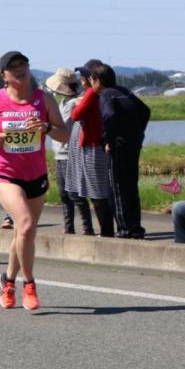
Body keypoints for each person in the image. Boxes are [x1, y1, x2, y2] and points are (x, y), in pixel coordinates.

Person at [0, 51, 69, 311]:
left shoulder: (44, 99)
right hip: (6, 174)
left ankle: (8, 281)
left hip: (35, 175)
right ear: (4, 75)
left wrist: (46, 128)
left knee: (23, 234)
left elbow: (64, 135)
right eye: (13, 67)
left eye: (23, 65)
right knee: (24, 226)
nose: (20, 69)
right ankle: (30, 285)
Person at [89, 61, 150, 239]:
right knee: (131, 187)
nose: (91, 84)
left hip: (119, 146)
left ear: (98, 81)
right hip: (133, 144)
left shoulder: (106, 94)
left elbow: (109, 115)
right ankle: (136, 228)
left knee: (116, 188)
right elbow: (145, 111)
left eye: (92, 80)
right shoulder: (123, 91)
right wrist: (138, 133)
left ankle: (125, 230)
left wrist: (109, 139)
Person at [67, 61, 116, 236]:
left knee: (97, 190)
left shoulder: (90, 94)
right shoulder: (105, 93)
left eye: (84, 75)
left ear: (92, 78)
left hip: (93, 144)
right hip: (98, 143)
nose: (81, 78)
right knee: (101, 189)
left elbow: (76, 115)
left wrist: (77, 105)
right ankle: (109, 229)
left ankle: (106, 231)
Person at [45, 68, 94, 235]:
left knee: (75, 194)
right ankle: (69, 228)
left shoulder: (74, 102)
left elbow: (65, 125)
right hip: (60, 153)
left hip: (70, 153)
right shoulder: (62, 103)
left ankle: (88, 229)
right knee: (64, 195)